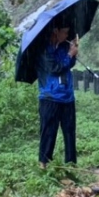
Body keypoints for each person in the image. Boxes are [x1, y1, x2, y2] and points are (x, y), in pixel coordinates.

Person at [36, 18, 78, 168]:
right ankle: (44, 165)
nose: (67, 35)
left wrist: (73, 51)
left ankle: (71, 164)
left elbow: (70, 64)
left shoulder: (63, 47)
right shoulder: (43, 49)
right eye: (65, 32)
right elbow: (55, 68)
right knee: (48, 132)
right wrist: (69, 55)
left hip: (67, 97)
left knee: (70, 132)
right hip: (49, 97)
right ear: (56, 31)